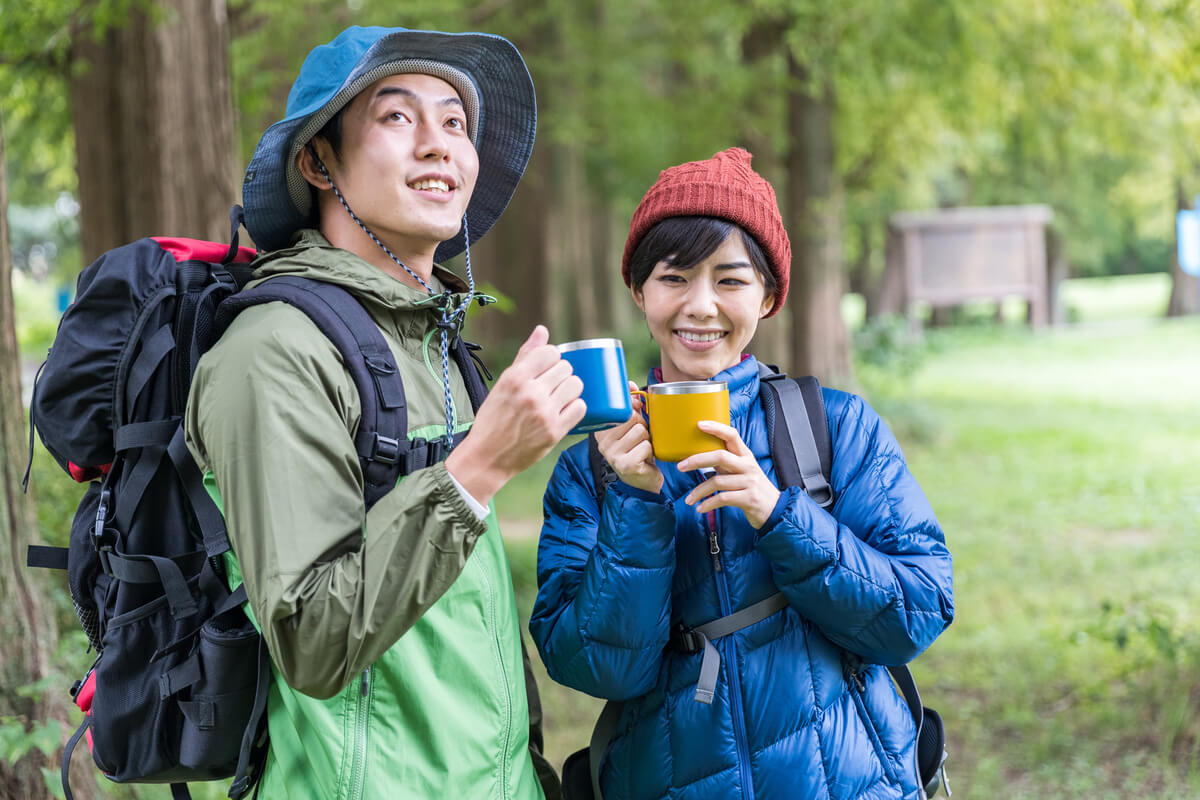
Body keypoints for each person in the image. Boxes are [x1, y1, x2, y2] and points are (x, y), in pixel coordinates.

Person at [184, 26, 584, 800]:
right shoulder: (274, 352)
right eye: (398, 118)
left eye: (456, 123)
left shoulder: (440, 343)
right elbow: (312, 638)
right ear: (318, 160)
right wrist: (478, 469)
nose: (439, 145)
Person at [529, 148, 954, 799]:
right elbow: (596, 668)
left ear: (769, 296)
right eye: (674, 278)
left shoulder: (832, 427)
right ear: (640, 291)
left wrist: (779, 514)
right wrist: (636, 505)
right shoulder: (591, 470)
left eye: (729, 281)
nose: (701, 306)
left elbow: (918, 609)